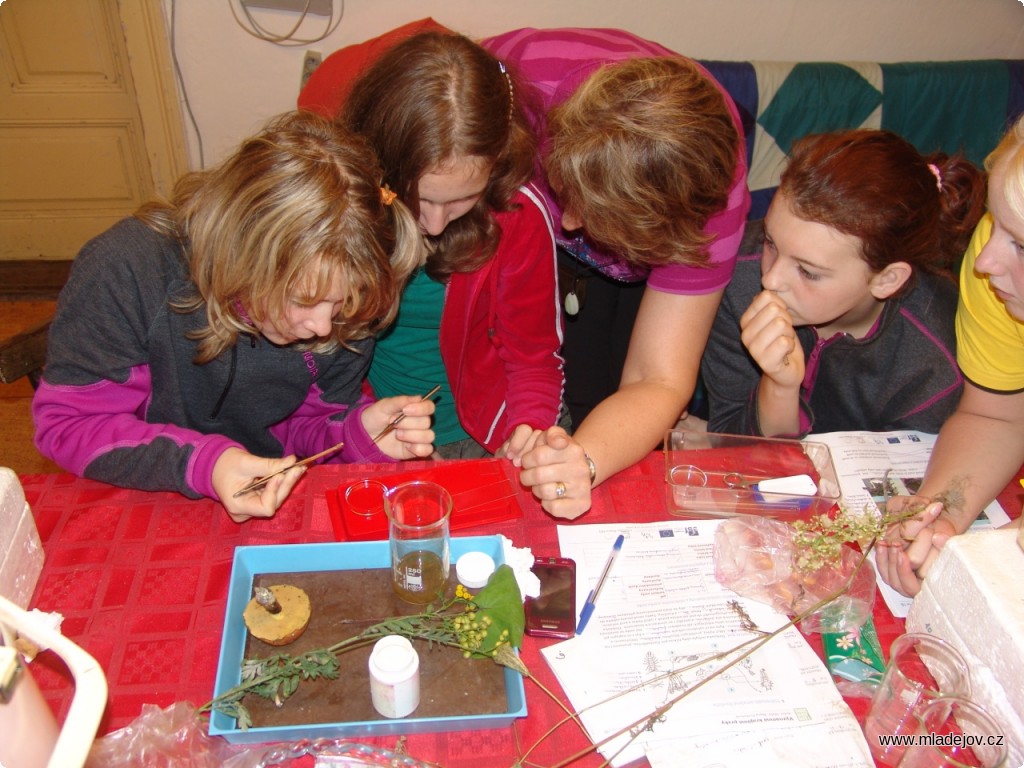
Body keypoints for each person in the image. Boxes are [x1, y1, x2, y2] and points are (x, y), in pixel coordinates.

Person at [32, 111, 435, 523]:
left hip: (260, 505)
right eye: (302, 300)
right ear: (244, 253)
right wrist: (207, 464)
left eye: (341, 304)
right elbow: (67, 425)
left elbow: (305, 427)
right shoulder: (127, 269)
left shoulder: (349, 309)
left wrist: (356, 433)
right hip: (136, 498)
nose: (323, 327)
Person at [481, 27, 751, 518]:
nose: (567, 224)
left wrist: (582, 463)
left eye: (593, 217)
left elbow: (659, 376)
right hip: (510, 183)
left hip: (658, 212)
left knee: (605, 409)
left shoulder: (709, 193)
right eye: (567, 194)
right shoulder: (514, 82)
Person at [300, 21, 567, 460]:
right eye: (419, 199)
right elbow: (319, 360)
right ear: (380, 161)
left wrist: (527, 432)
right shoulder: (342, 202)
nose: (437, 225)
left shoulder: (518, 214)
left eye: (464, 199)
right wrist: (377, 436)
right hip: (365, 425)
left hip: (487, 433)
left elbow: (534, 359)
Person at [701, 129, 986, 437]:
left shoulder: (935, 359)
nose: (770, 279)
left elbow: (906, 477)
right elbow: (731, 444)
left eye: (808, 272)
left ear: (887, 279)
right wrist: (779, 387)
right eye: (771, 241)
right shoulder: (735, 278)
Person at [876, 115, 1024, 597]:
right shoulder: (999, 272)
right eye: (995, 227)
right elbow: (995, 415)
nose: (985, 262)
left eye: (1020, 245)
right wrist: (938, 512)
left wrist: (998, 557)